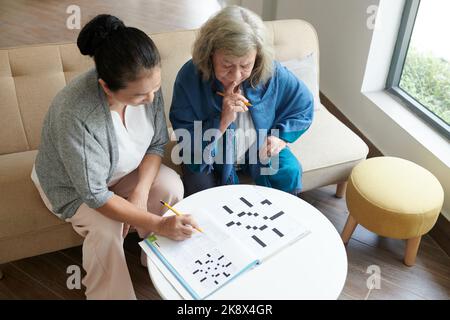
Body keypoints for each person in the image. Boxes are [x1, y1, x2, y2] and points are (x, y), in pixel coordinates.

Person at [31, 14, 199, 300]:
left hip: (122, 173)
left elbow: (157, 144)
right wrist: (156, 222)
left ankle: (155, 259)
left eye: (155, 90)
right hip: (75, 188)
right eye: (139, 96)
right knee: (107, 226)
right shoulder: (76, 114)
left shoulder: (146, 85)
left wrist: (139, 193)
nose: (151, 99)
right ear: (106, 87)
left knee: (169, 186)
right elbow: (95, 195)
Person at [169, 6, 314, 197]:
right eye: (226, 65)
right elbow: (185, 133)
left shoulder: (271, 72)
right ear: (210, 54)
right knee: (200, 187)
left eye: (245, 65)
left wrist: (280, 137)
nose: (236, 76)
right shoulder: (190, 77)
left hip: (257, 145)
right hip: (209, 152)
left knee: (289, 171)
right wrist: (222, 121)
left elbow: (303, 105)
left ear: (258, 57)